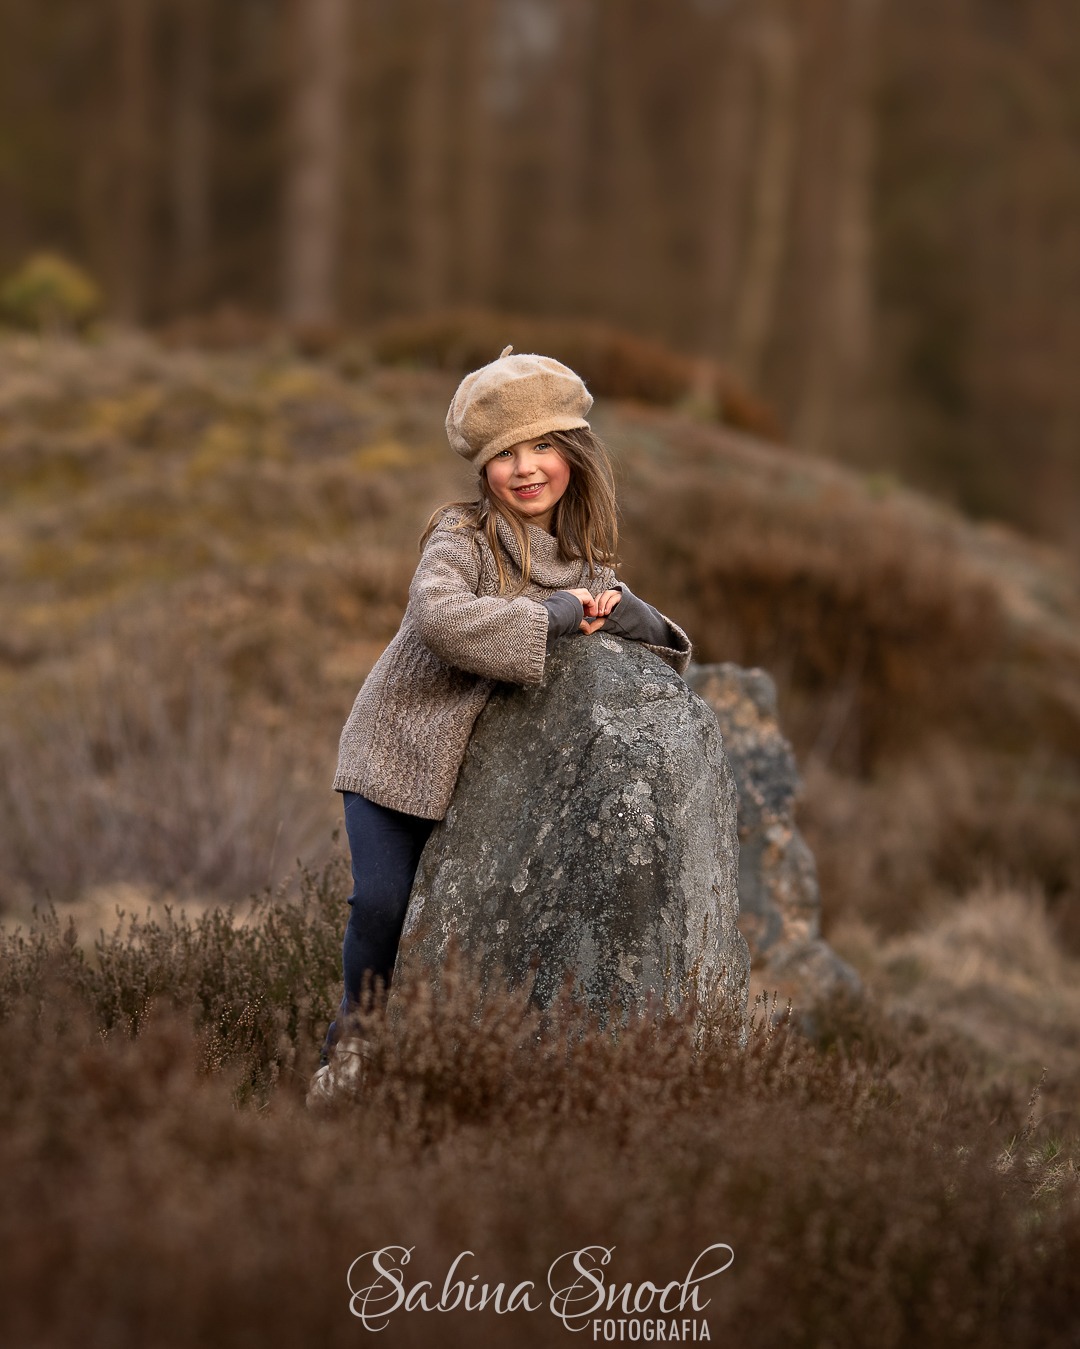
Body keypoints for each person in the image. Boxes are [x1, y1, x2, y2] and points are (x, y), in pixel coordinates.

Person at [308, 346, 691, 1102]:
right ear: (480, 468)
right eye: (504, 454)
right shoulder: (461, 538)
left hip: (477, 784)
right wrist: (546, 616)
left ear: (574, 454)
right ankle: (352, 1042)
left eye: (543, 446)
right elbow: (440, 617)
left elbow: (665, 648)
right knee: (384, 904)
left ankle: (446, 1068)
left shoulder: (583, 561)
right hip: (398, 753)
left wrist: (636, 615)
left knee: (455, 927)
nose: (526, 468)